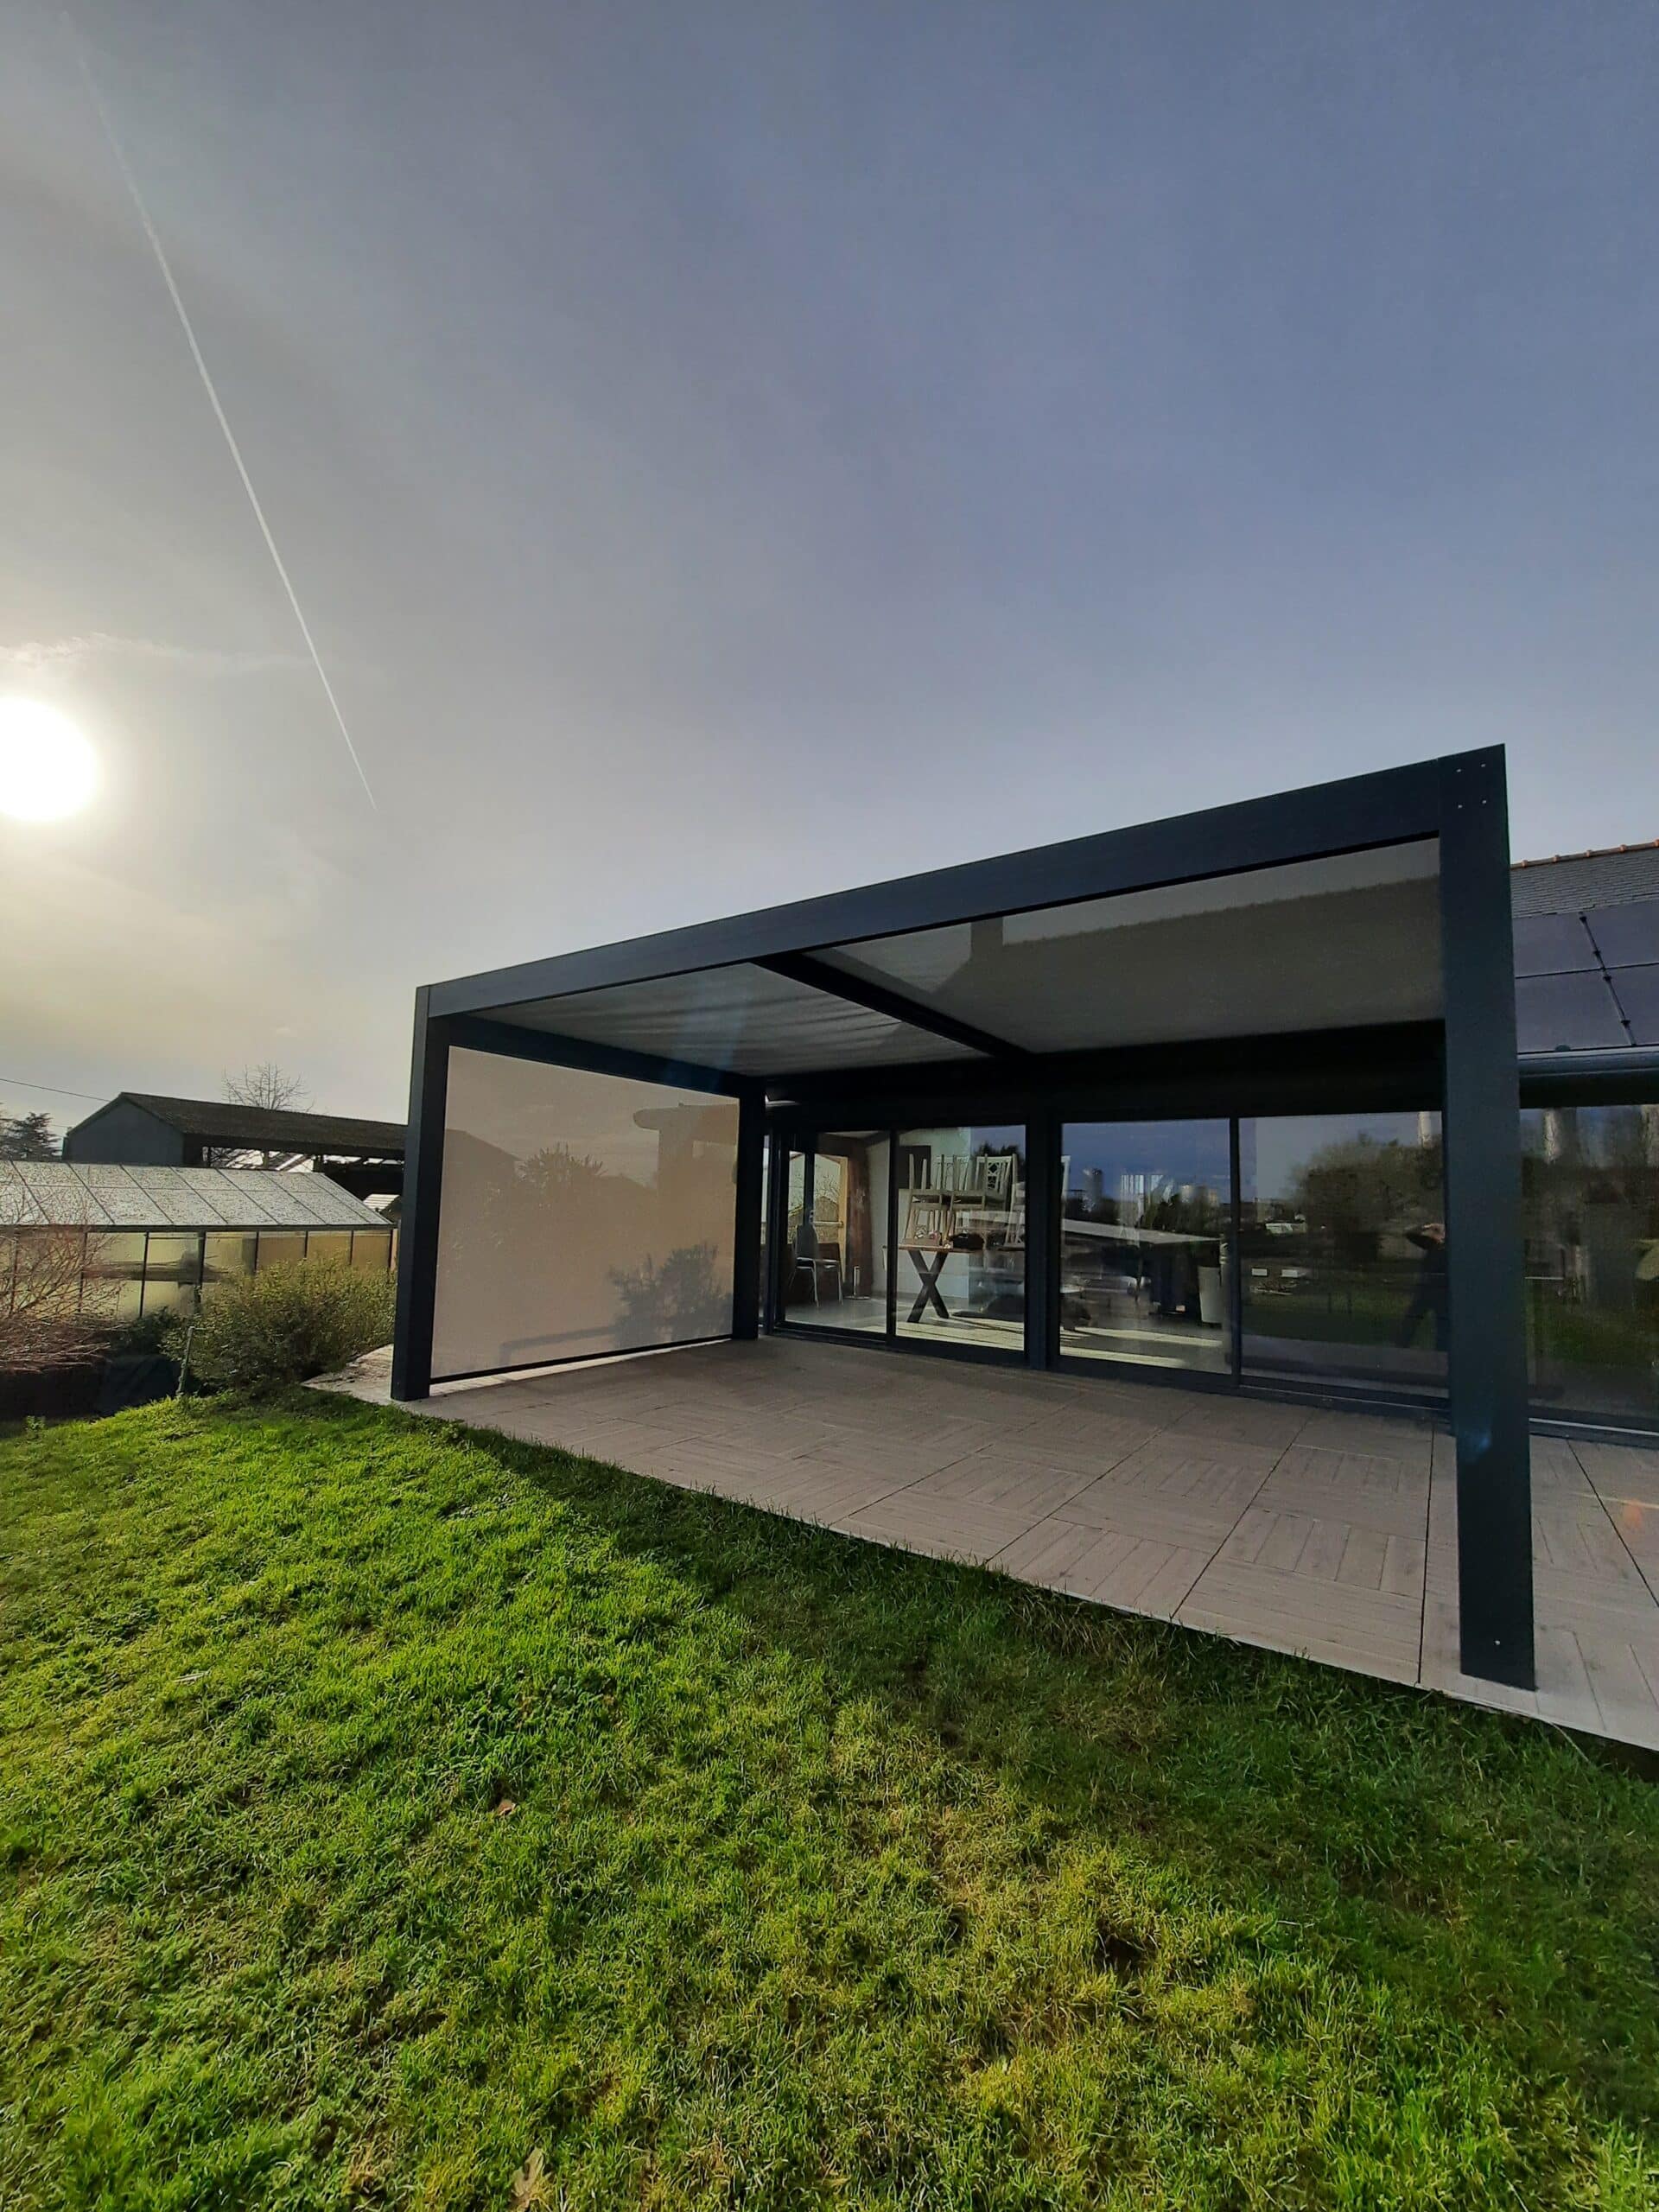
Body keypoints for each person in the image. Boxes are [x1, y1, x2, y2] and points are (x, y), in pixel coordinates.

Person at [1397, 1220, 1448, 1352]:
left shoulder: (1450, 1248)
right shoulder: (1431, 1246)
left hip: (1441, 1292)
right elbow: (1409, 1234)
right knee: (1411, 1320)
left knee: (1442, 1323)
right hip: (1425, 1290)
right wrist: (1426, 1227)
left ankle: (1441, 1352)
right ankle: (1401, 1347)